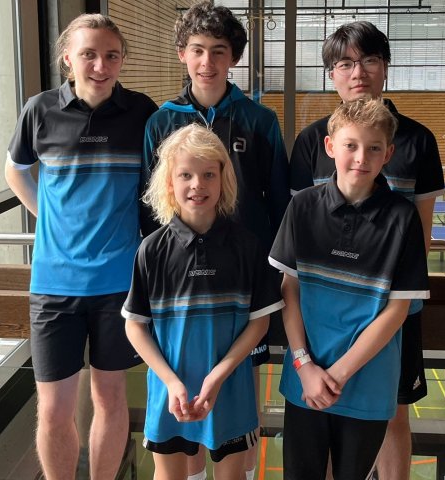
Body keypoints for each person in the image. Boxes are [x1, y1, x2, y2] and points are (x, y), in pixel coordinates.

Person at [289, 21, 445, 480]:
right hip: (325, 313)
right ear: (331, 75)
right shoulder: (310, 141)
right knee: (325, 407)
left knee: (393, 412)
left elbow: (421, 231)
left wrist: (395, 300)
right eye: (345, 64)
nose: (358, 73)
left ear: (385, 68)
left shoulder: (418, 140)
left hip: (390, 308)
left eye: (369, 61)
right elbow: (300, 231)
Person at [4, 14, 157, 480]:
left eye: (111, 55)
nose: (100, 65)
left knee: (110, 398)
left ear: (122, 60)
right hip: (53, 286)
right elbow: (15, 170)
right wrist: (48, 217)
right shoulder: (40, 110)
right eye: (88, 54)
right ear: (67, 58)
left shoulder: (142, 112)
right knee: (54, 408)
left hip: (119, 284)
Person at [141, 3, 290, 478]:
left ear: (234, 58)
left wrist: (272, 274)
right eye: (198, 50)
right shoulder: (160, 122)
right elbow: (150, 206)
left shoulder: (259, 119)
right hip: (180, 288)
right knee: (183, 390)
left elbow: (279, 202)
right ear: (182, 54)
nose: (207, 61)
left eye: (219, 51)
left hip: (242, 281)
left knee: (238, 393)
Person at [270, 98, 430, 480]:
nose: (361, 157)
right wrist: (304, 365)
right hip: (304, 380)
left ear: (388, 154)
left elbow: (397, 311)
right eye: (351, 145)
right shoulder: (302, 206)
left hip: (367, 387)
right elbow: (289, 290)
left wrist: (338, 374)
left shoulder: (402, 217)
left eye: (374, 148)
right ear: (330, 147)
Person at [123, 124, 284, 480]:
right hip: (170, 392)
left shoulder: (246, 247)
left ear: (224, 180)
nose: (198, 184)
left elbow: (259, 323)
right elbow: (135, 327)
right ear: (169, 183)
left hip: (230, 390)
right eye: (186, 175)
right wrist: (171, 381)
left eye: (209, 174)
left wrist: (218, 376)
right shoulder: (151, 250)